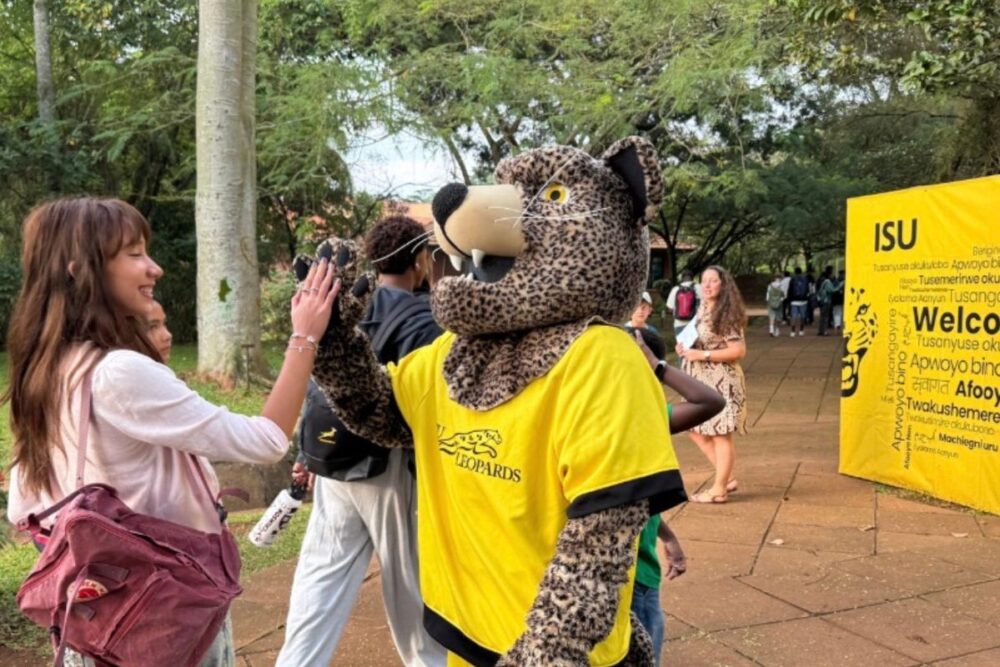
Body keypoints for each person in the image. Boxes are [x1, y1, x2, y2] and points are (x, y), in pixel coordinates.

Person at [3, 198, 336, 666]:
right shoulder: (117, 372)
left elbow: (24, 504)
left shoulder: (45, 369)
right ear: (81, 271)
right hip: (165, 614)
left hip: (95, 616)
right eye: (134, 253)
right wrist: (305, 338)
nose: (154, 268)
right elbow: (266, 439)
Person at [276, 216, 447, 667]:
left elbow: (319, 380)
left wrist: (307, 452)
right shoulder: (425, 317)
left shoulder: (346, 301)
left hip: (332, 462)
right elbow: (425, 403)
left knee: (319, 584)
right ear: (419, 260)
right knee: (411, 599)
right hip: (389, 467)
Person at [630, 328, 724, 663]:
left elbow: (640, 496)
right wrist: (657, 367)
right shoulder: (640, 416)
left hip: (634, 568)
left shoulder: (637, 414)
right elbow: (711, 401)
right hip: (634, 575)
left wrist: (667, 537)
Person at [675, 265, 748, 504]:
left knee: (719, 434)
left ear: (723, 285)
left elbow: (738, 350)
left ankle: (719, 488)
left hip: (721, 380)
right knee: (694, 428)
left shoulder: (725, 314)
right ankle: (726, 477)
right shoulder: (704, 308)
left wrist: (702, 356)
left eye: (713, 281)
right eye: (703, 281)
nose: (706, 285)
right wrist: (686, 348)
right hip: (700, 381)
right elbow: (699, 338)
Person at [666, 270, 701, 339]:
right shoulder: (698, 287)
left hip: (679, 324)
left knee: (682, 348)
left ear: (682, 278)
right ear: (692, 278)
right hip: (695, 324)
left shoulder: (675, 289)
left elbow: (669, 308)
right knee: (696, 348)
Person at [787, 267, 810, 337]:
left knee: (794, 316)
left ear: (795, 272)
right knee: (802, 316)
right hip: (803, 300)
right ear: (801, 272)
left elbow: (789, 290)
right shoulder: (805, 279)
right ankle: (801, 330)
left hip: (794, 301)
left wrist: (789, 299)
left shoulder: (792, 279)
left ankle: (793, 331)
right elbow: (808, 290)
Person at [816, 266, 836, 336]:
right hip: (826, 299)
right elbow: (832, 290)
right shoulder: (827, 281)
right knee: (826, 316)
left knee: (822, 316)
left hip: (821, 300)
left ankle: (820, 330)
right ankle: (824, 331)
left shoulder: (820, 279)